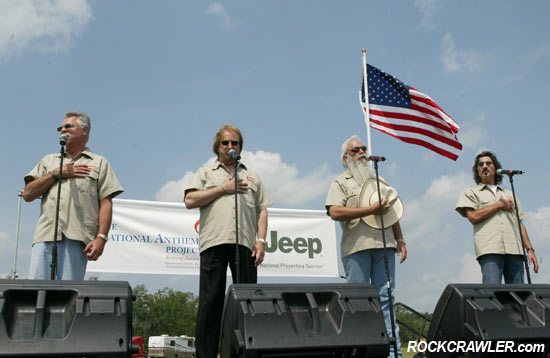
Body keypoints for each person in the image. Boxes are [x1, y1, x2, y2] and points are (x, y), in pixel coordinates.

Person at [184, 124, 273, 358]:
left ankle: (242, 353)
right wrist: (223, 189)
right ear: (217, 146)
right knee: (210, 303)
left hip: (244, 244)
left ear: (240, 147)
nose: (230, 146)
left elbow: (261, 209)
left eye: (235, 143)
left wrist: (261, 240)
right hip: (214, 243)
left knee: (247, 303)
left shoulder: (251, 175)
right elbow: (190, 199)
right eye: (225, 143)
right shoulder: (206, 171)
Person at [325, 135, 407, 358]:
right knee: (357, 303)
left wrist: (400, 239)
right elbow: (334, 212)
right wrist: (368, 211)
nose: (361, 152)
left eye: (363, 148)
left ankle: (393, 353)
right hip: (356, 247)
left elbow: (393, 212)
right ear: (345, 157)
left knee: (386, 299)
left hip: (385, 244)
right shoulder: (340, 182)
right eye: (355, 150)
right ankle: (357, 353)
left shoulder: (379, 180)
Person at [23, 111, 123, 280]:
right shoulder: (49, 160)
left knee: (67, 297)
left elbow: (106, 202)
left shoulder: (99, 163)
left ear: (84, 131)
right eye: (60, 128)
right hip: (45, 237)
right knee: (36, 295)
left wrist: (101, 238)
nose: (63, 130)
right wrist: (57, 173)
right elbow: (28, 194)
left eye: (68, 126)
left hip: (76, 240)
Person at [455, 151, 538, 284]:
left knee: (520, 297)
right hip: (490, 250)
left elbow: (519, 223)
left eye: (488, 163)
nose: (484, 166)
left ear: (496, 168)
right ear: (477, 170)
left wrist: (530, 249)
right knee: (493, 294)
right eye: (480, 164)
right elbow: (473, 217)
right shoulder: (471, 193)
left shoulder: (509, 193)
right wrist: (498, 205)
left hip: (515, 250)